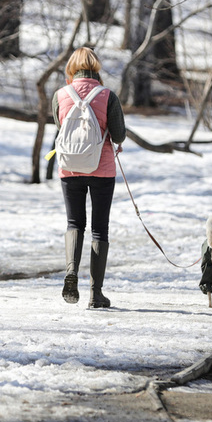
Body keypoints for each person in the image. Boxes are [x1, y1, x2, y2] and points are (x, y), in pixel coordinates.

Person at [53, 47, 126, 308]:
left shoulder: (61, 94)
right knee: (99, 228)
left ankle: (71, 270)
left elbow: (60, 128)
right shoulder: (107, 95)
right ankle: (96, 294)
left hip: (69, 168)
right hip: (102, 169)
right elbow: (118, 135)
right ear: (96, 67)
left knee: (74, 223)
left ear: (72, 68)